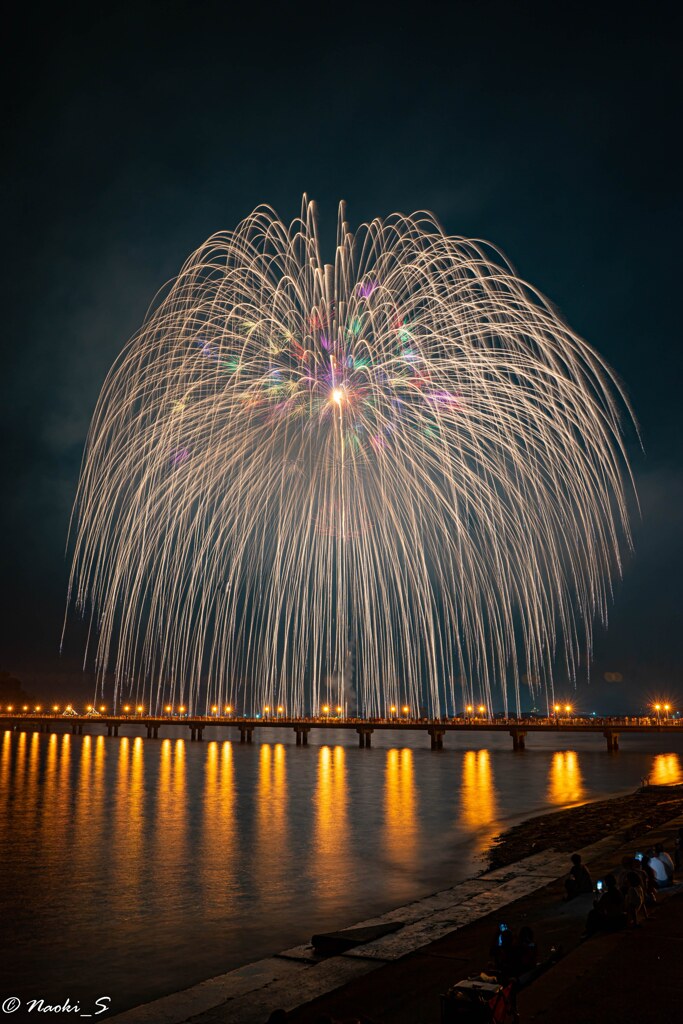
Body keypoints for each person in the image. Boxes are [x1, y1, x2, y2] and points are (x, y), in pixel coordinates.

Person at [582, 874, 626, 938]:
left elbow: (599, 907)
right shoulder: (619, 893)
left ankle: (589, 931)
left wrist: (595, 903)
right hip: (620, 920)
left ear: (606, 883)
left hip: (612, 921)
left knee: (593, 913)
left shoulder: (607, 896)